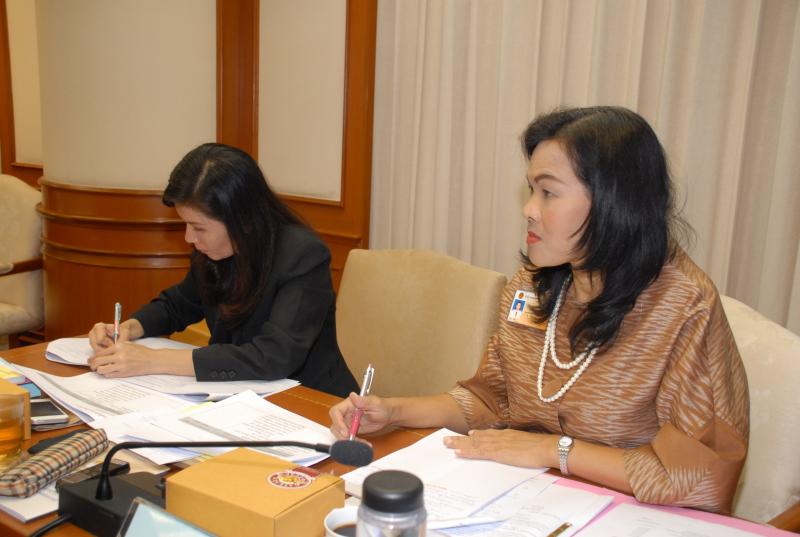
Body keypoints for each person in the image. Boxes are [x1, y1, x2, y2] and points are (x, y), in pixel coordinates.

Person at [330, 107, 749, 513]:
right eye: (532, 190)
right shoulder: (533, 285)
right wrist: (394, 411)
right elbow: (491, 400)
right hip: (529, 500)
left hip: (629, 516)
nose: (529, 209)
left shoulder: (683, 307)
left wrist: (554, 450)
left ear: (612, 200)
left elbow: (701, 476)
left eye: (548, 193)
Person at [88, 143, 359, 398]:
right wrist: (129, 328)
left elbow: (274, 355)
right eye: (186, 224)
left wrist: (153, 360)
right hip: (238, 395)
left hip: (308, 401)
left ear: (242, 220)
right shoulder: (214, 250)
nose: (189, 238)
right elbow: (177, 305)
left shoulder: (302, 255)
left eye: (199, 227)